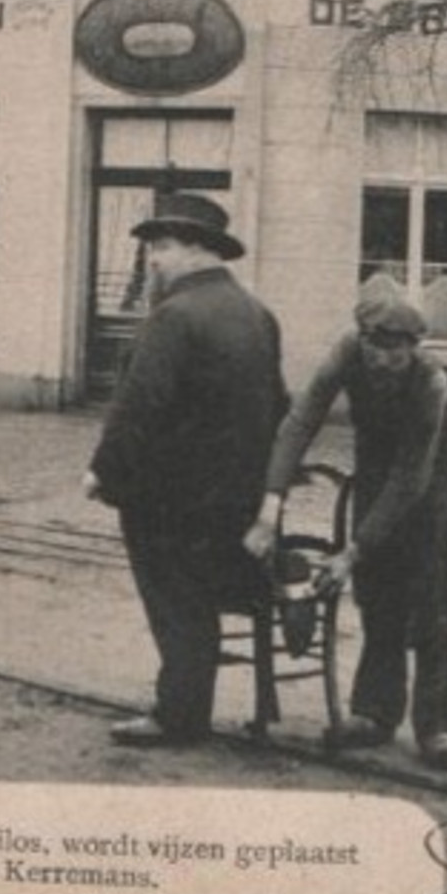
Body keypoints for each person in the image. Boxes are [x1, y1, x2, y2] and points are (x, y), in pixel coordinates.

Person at [84, 194, 286, 746]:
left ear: (198, 250)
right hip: (238, 504)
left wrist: (102, 472)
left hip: (174, 502)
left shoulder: (173, 316)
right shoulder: (258, 314)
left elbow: (139, 405)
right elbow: (280, 406)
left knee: (175, 599)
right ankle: (189, 706)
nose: (153, 259)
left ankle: (179, 714)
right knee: (195, 596)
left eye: (162, 246)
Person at [244, 289, 447, 771]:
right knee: (378, 592)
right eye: (378, 349)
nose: (387, 360)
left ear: (413, 348)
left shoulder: (430, 380)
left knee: (430, 599)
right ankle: (374, 712)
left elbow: (412, 477)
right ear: (363, 340)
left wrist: (352, 550)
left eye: (399, 351)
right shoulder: (346, 354)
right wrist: (270, 505)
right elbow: (299, 423)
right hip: (373, 474)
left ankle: (440, 726)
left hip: (431, 486)